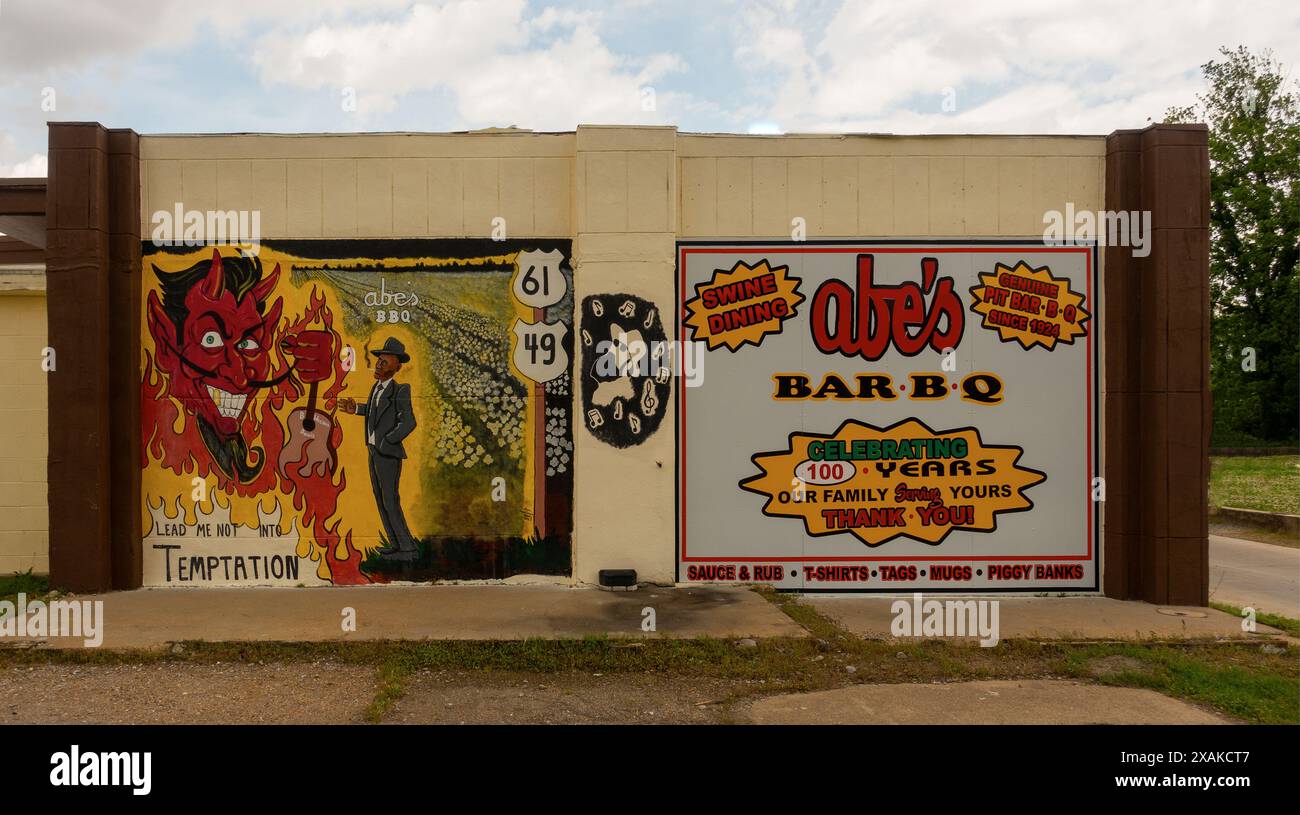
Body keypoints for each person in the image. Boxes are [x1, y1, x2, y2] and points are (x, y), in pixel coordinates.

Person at [337, 337, 418, 561]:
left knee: (390, 500)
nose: (379, 366)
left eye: (384, 363)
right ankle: (395, 545)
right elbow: (375, 411)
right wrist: (356, 409)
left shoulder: (400, 390)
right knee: (380, 499)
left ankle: (408, 549)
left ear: (397, 367)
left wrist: (387, 441)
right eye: (378, 362)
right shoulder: (376, 388)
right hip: (374, 451)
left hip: (387, 453)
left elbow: (408, 422)